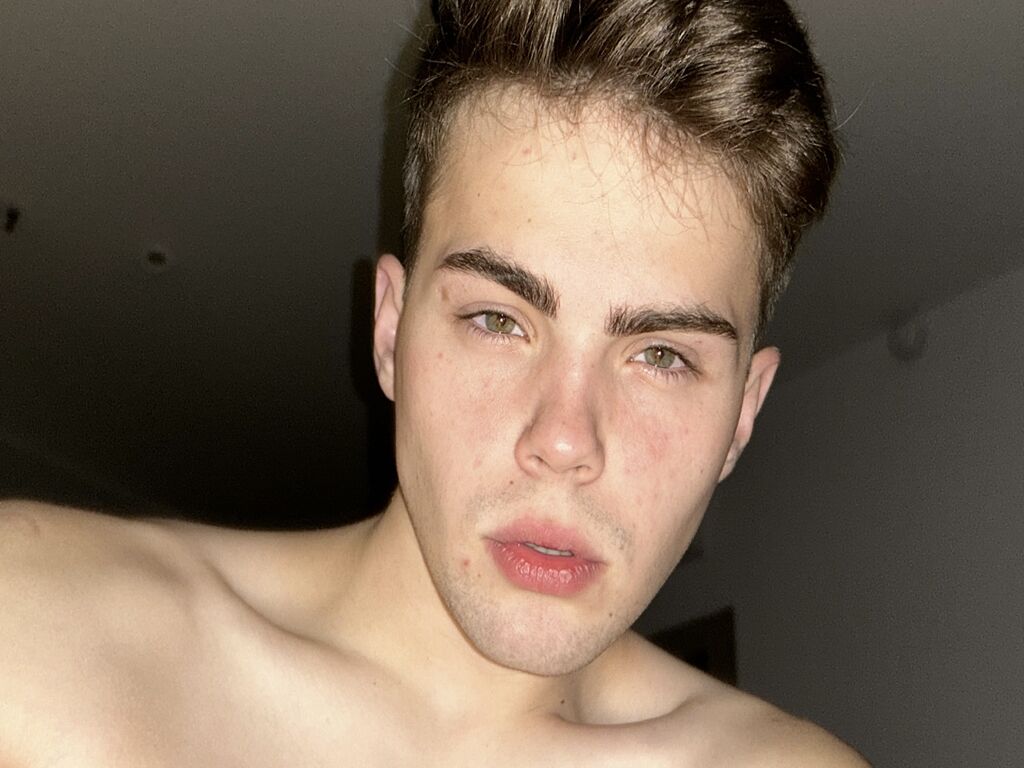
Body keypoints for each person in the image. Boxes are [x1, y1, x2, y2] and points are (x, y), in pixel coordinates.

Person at [0, 0, 870, 765]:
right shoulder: (33, 641)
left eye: (662, 356)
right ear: (388, 330)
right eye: (498, 320)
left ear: (743, 414)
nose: (564, 440)